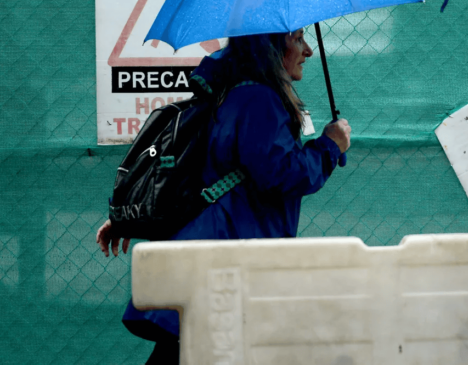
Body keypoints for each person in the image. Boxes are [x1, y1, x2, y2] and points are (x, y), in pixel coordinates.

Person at [95, 29, 351, 364]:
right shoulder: (259, 99)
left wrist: (127, 217)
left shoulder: (232, 93)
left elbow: (195, 173)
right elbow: (280, 173)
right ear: (272, 45)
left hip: (218, 252)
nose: (308, 51)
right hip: (231, 256)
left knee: (187, 350)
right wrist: (330, 145)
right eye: (298, 39)